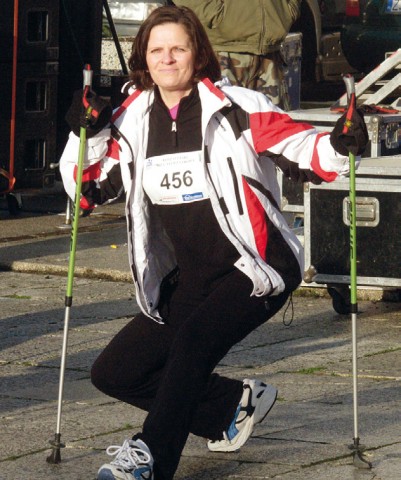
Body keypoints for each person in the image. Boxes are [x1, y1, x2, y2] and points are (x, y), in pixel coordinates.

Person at [59, 5, 368, 480]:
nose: (167, 59)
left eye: (177, 49)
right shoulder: (131, 119)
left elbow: (304, 149)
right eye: (156, 50)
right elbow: (87, 189)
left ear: (197, 53)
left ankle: (152, 458)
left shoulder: (237, 107)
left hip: (258, 266)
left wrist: (341, 144)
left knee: (191, 344)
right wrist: (88, 132)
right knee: (115, 372)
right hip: (191, 276)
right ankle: (229, 406)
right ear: (143, 57)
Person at [173, 0, 302, 110]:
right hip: (222, 54)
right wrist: (214, 14)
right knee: (219, 126)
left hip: (270, 55)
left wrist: (288, 10)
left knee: (274, 127)